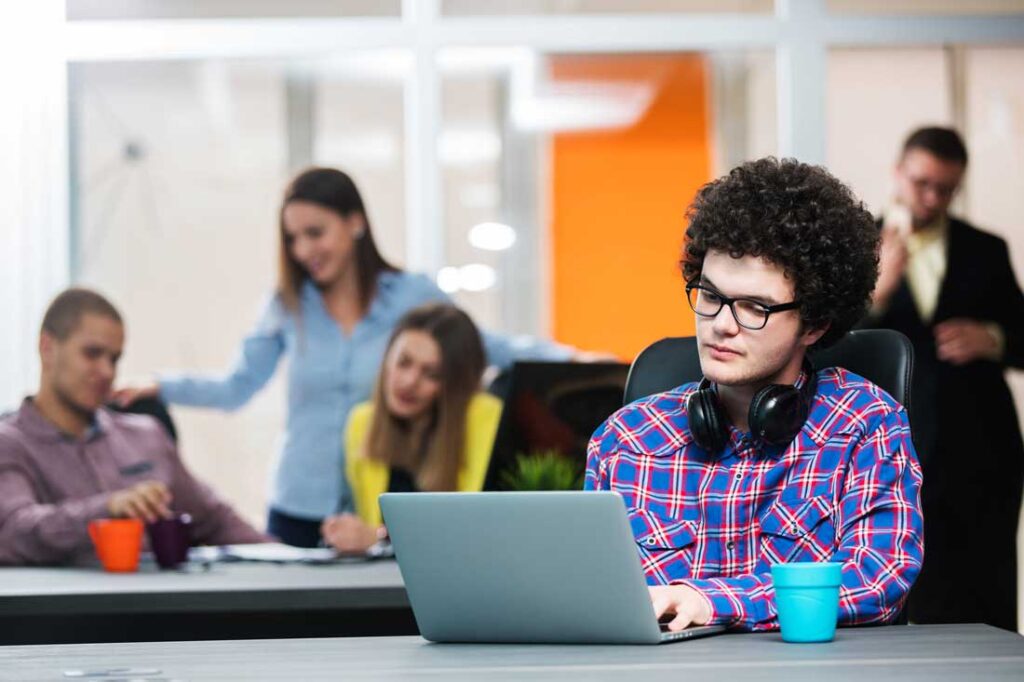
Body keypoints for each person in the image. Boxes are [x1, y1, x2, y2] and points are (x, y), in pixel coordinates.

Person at [114, 168, 571, 547]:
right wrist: (163, 385)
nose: (303, 250)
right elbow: (237, 387)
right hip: (299, 503)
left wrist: (572, 359)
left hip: (378, 509)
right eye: (293, 238)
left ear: (355, 223)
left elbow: (483, 346)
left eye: (315, 233)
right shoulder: (286, 306)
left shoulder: (411, 296)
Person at [585, 158, 924, 632]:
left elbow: (878, 579)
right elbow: (592, 595)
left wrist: (709, 600)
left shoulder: (866, 423)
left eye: (755, 308)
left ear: (816, 323)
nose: (721, 324)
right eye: (709, 295)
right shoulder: (625, 439)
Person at [863, 127, 1024, 632]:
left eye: (945, 188)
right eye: (921, 182)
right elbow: (821, 343)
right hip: (887, 451)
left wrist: (993, 338)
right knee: (900, 599)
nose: (931, 197)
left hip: (983, 453)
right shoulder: (855, 244)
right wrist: (878, 294)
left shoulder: (986, 249)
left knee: (990, 594)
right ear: (897, 173)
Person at [0, 289, 266, 566]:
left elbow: (216, 520)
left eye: (114, 359)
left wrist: (294, 560)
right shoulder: (10, 444)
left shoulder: (146, 435)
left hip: (164, 603)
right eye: (92, 354)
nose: (107, 371)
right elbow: (14, 533)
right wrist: (109, 508)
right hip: (71, 607)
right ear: (47, 348)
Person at [321, 303, 500, 553]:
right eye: (403, 363)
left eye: (431, 374)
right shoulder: (362, 422)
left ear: (455, 385)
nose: (409, 382)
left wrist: (377, 537)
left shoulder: (485, 419)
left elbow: (477, 533)